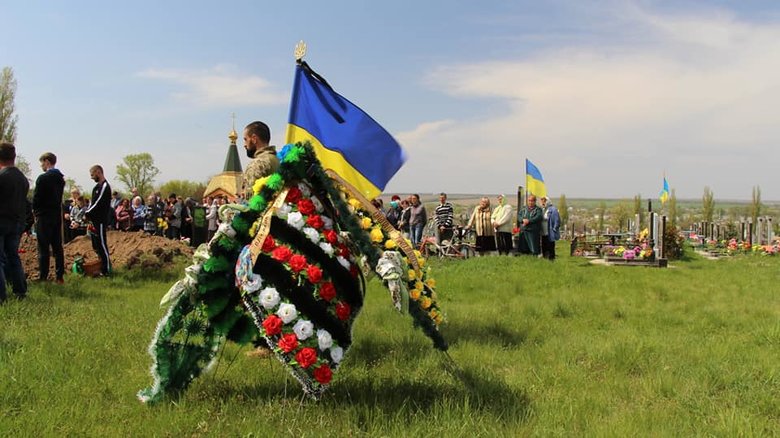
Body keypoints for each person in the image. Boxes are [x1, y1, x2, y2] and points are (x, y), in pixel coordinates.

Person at [0, 143, 30, 302]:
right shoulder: (23, 179)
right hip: (17, 223)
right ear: (14, 156)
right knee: (13, 257)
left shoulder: (2, 176)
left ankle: (1, 296)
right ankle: (20, 292)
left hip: (1, 222)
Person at [32, 152, 66, 283]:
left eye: (42, 162)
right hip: (56, 215)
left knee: (43, 247)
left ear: (47, 161)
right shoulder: (60, 179)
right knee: (57, 246)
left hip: (44, 216)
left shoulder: (43, 178)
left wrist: (35, 211)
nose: (41, 165)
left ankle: (43, 276)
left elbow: (37, 198)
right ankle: (59, 276)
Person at [84, 165, 112, 276]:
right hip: (93, 221)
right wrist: (88, 215)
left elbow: (98, 203)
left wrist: (87, 212)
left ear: (98, 172)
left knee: (102, 244)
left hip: (100, 221)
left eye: (92, 175)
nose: (91, 177)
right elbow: (92, 203)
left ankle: (107, 269)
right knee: (95, 245)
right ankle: (100, 266)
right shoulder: (96, 188)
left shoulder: (105, 186)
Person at [242, 121, 280, 198]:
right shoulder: (278, 160)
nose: (244, 145)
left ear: (254, 139)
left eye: (246, 139)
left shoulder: (257, 164)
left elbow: (251, 200)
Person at [540, 196, 561, 260]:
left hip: (550, 231)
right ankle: (545, 258)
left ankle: (551, 259)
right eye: (542, 201)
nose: (543, 202)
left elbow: (557, 220)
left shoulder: (553, 209)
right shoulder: (542, 209)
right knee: (544, 246)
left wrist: (554, 228)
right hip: (543, 231)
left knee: (550, 246)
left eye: (544, 201)